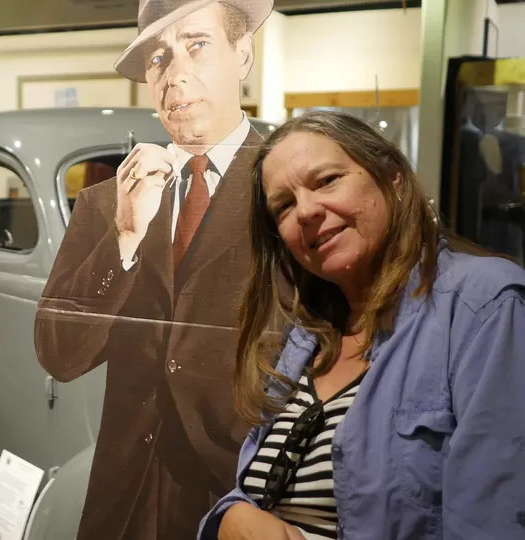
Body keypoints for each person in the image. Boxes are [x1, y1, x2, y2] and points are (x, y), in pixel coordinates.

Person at [199, 110, 525, 540]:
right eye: (284, 205)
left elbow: (492, 523)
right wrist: (229, 519)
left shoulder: (483, 305)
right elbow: (258, 488)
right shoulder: (307, 336)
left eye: (326, 180)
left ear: (391, 175)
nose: (307, 211)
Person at [33, 0, 274, 537]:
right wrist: (124, 236)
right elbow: (59, 353)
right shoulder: (106, 202)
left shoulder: (289, 190)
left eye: (197, 45)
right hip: (127, 496)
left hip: (241, 498)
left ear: (243, 55)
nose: (176, 74)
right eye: (158, 58)